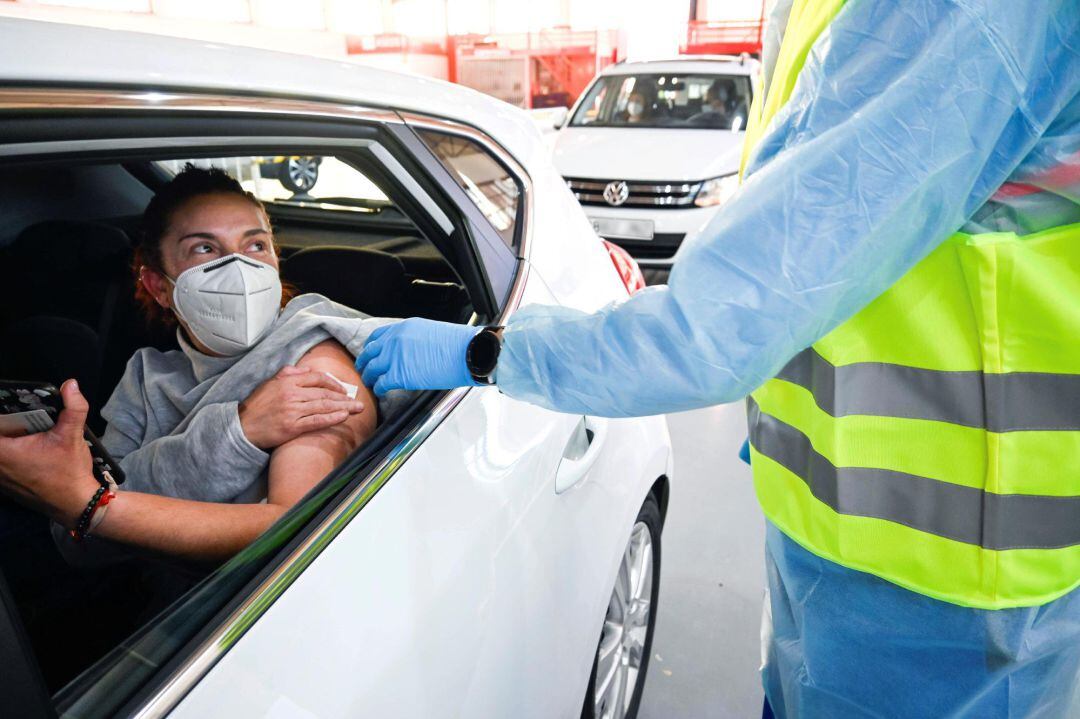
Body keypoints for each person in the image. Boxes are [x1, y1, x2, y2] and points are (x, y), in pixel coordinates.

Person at [357, 0, 1080, 716]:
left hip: (954, 591)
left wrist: (484, 352)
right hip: (852, 546)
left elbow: (720, 324)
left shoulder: (965, 14)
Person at [0, 167, 404, 562]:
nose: (239, 268)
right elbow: (80, 543)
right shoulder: (146, 375)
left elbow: (296, 534)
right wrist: (241, 427)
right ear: (158, 286)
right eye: (205, 248)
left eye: (255, 246)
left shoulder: (315, 350)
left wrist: (92, 504)